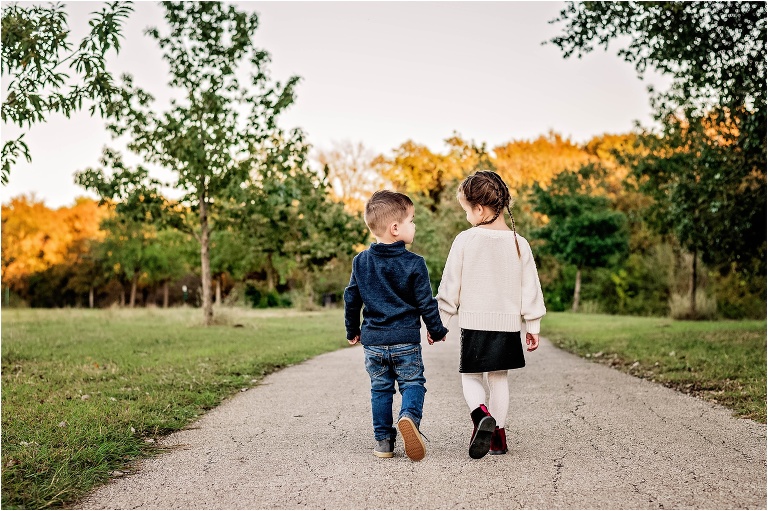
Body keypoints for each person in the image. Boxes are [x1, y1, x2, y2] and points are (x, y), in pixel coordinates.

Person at [435, 171, 546, 459]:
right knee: (498, 378)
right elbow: (530, 287)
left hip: (474, 323)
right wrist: (532, 324)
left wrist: (440, 323)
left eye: (467, 211)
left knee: (471, 376)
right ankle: (497, 438)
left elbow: (450, 286)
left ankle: (480, 413)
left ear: (480, 209)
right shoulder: (518, 242)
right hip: (507, 325)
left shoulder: (465, 240)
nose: (467, 218)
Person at [344, 190, 448, 461]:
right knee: (413, 382)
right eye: (411, 221)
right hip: (405, 341)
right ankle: (409, 417)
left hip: (374, 343)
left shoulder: (361, 261)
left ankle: (383, 443)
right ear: (395, 228)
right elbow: (426, 303)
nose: (414, 226)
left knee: (380, 389)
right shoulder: (415, 263)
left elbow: (351, 297)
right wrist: (436, 329)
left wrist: (352, 329)